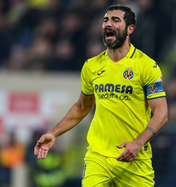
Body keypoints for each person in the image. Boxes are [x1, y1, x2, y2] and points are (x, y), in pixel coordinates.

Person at [34, 5, 168, 187]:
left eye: (115, 20)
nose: (108, 24)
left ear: (130, 29)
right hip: (98, 158)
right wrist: (53, 133)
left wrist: (137, 144)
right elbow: (82, 106)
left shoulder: (146, 66)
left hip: (134, 160)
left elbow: (161, 113)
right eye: (105, 20)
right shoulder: (92, 66)